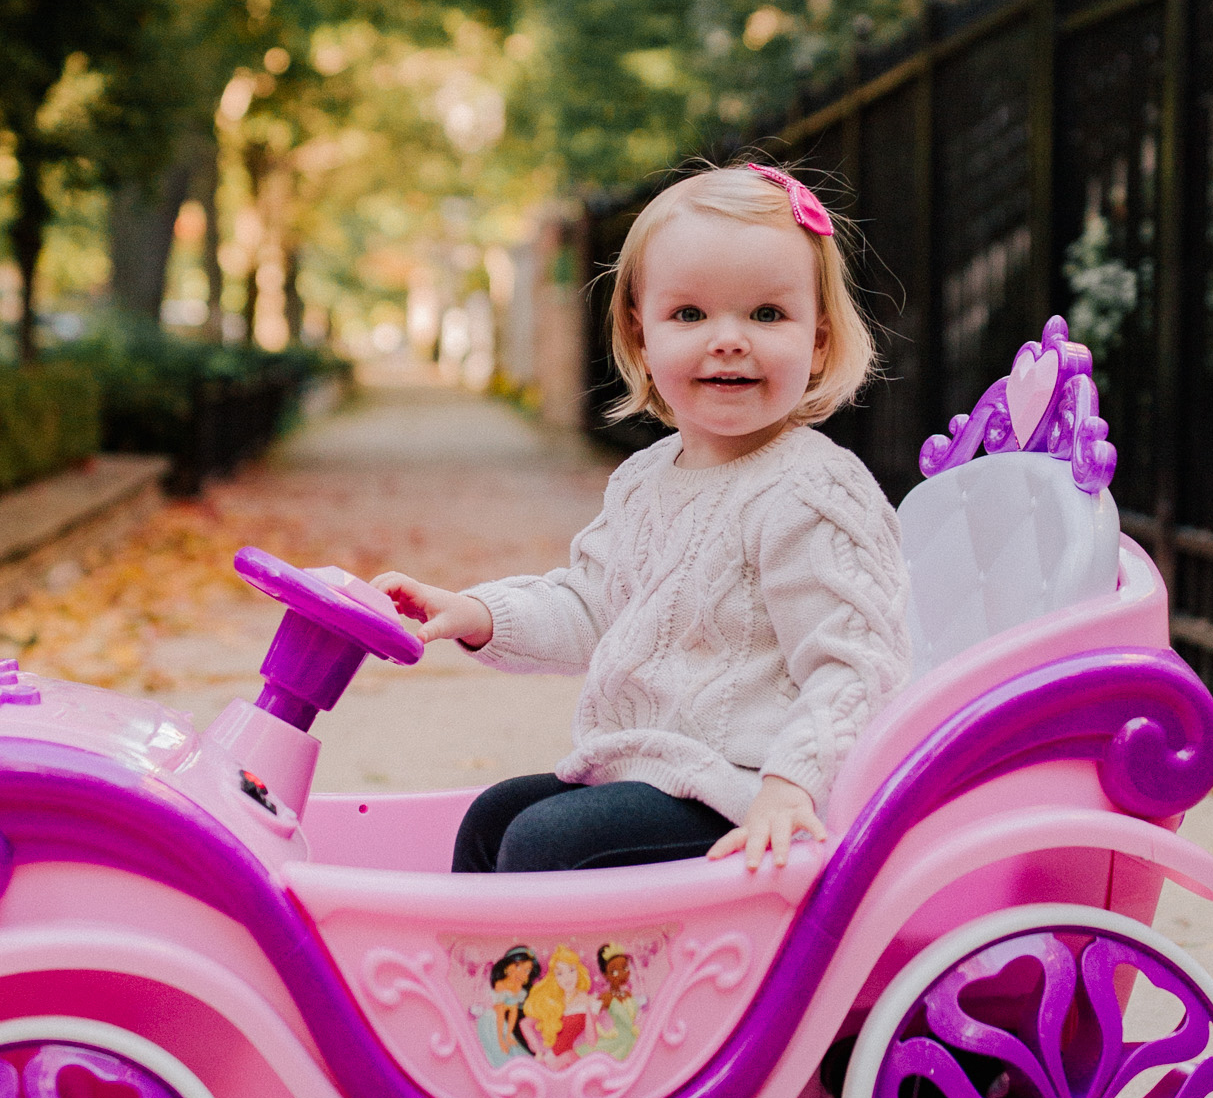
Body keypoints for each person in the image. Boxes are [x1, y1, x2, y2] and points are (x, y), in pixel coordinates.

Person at [374, 161, 908, 875]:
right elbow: (594, 604)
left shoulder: (812, 491)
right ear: (641, 334)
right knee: (494, 817)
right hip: (653, 772)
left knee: (546, 846)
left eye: (767, 314)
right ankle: (491, 983)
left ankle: (563, 990)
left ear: (817, 339)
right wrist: (481, 614)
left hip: (747, 795)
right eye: (690, 314)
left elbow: (855, 664)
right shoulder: (645, 481)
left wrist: (791, 784)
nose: (728, 339)